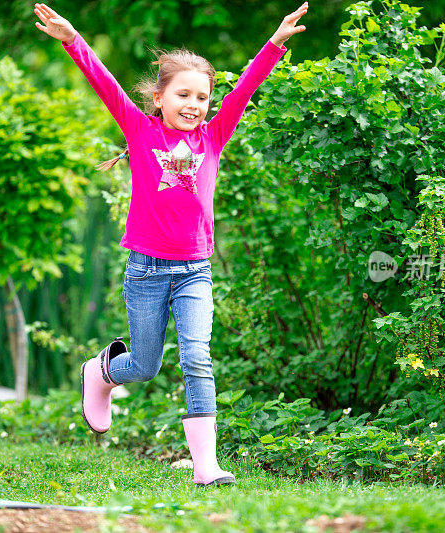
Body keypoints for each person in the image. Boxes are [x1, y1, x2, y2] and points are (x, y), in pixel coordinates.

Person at [34, 1, 308, 486]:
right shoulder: (140, 131)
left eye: (202, 97)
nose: (194, 104)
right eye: (183, 94)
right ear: (159, 98)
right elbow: (106, 84)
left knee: (197, 355)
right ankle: (101, 374)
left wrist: (274, 44)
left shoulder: (214, 136)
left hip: (194, 271)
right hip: (145, 270)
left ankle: (206, 468)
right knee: (144, 364)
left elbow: (245, 89)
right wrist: (72, 39)